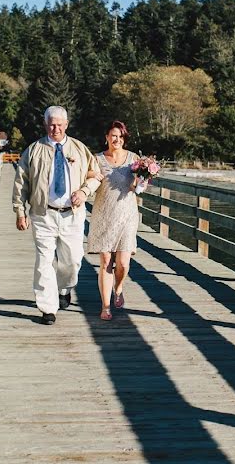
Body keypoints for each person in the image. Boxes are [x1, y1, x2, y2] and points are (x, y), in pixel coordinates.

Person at [13, 106, 100, 325]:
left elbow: (96, 175)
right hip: (43, 214)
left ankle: (64, 288)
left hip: (72, 215)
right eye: (52, 124)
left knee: (72, 261)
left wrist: (84, 191)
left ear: (67, 125)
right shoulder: (33, 150)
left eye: (60, 124)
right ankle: (47, 308)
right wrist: (20, 211)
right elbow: (21, 182)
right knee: (44, 261)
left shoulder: (79, 149)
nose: (56, 129)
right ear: (45, 125)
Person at [86, 120, 144, 321]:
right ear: (106, 138)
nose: (116, 139)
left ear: (124, 138)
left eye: (120, 136)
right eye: (113, 136)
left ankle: (118, 287)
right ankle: (106, 306)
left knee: (123, 263)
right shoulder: (97, 159)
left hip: (127, 214)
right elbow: (85, 175)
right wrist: (91, 173)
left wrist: (142, 183)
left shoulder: (134, 159)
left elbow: (139, 185)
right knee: (105, 262)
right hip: (104, 214)